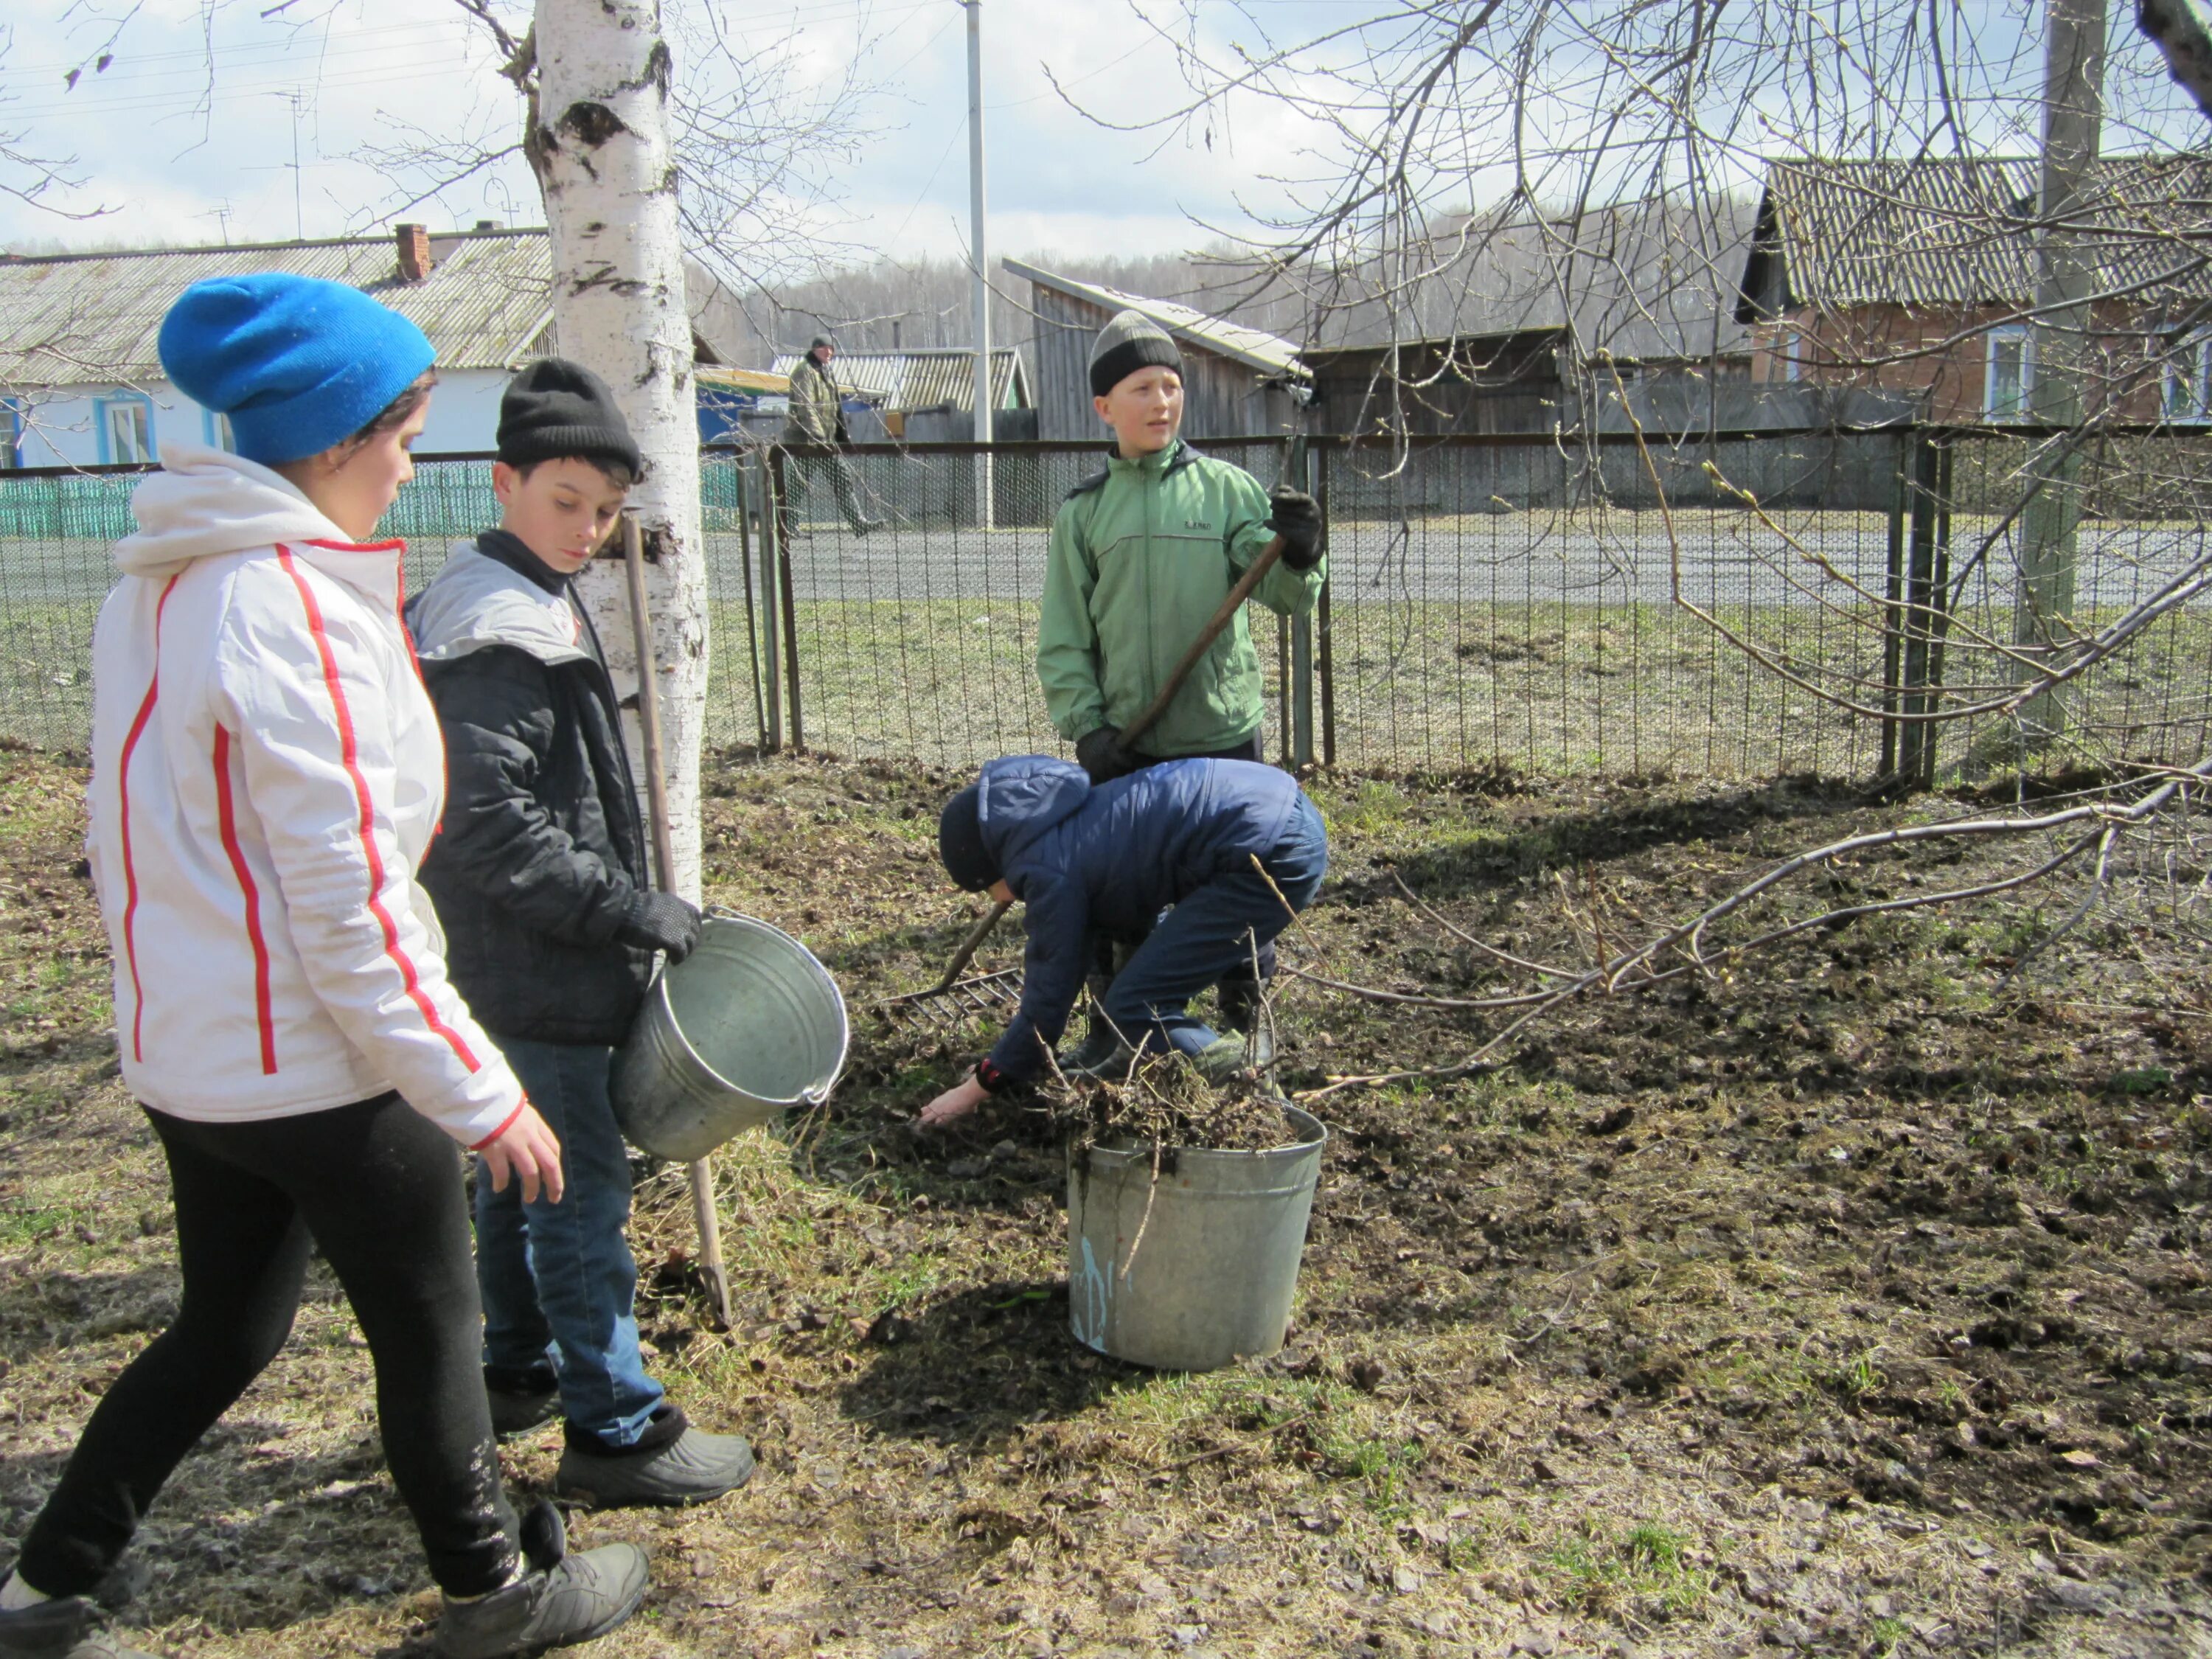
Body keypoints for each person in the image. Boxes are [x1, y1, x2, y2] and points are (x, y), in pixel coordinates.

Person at [0, 276, 647, 1659]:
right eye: (404, 430)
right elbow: (351, 907)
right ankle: (491, 1593)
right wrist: (478, 1088)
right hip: (315, 1064)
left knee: (226, 1327)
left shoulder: (159, 584)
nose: (413, 461)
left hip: (194, 1056)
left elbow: (160, 849)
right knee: (430, 1328)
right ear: (339, 434)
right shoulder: (287, 609)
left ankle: (48, 1585)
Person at [406, 359, 757, 1511]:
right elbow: (486, 825)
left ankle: (513, 1365)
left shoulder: (515, 592)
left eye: (606, 511)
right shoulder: (495, 624)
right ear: (504, 481)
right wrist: (626, 907)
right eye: (567, 501)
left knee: (517, 1174)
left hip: (513, 963)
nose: (589, 528)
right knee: (582, 1195)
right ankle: (614, 1423)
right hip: (539, 964)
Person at [1033, 309, 1327, 1062]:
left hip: (1221, 737)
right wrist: (1088, 727)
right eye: (1142, 388)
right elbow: (1066, 638)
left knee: (1239, 879)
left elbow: (1287, 598)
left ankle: (1247, 1008)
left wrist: (1299, 554)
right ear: (1104, 408)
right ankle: (1120, 1027)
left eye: (1171, 386)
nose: (1162, 402)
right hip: (1129, 745)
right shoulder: (1085, 513)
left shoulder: (1226, 491)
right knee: (1121, 893)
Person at [916, 755, 1329, 1132]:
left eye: (989, 889)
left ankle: (1251, 1084)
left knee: (1135, 1006)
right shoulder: (1062, 819)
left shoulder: (1048, 872)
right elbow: (1120, 914)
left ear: (993, 866)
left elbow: (1048, 997)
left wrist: (982, 1085)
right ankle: (1216, 1039)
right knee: (1160, 967)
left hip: (1270, 852)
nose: (1000, 900)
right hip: (1275, 806)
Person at [779, 334, 879, 536]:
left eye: (832, 349)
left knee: (842, 479)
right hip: (809, 441)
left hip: (827, 441)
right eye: (826, 348)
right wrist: (817, 436)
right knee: (799, 483)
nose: (830, 352)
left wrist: (840, 434)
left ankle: (858, 523)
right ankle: (786, 526)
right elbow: (805, 407)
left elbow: (835, 407)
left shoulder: (826, 372)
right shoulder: (804, 371)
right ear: (815, 349)